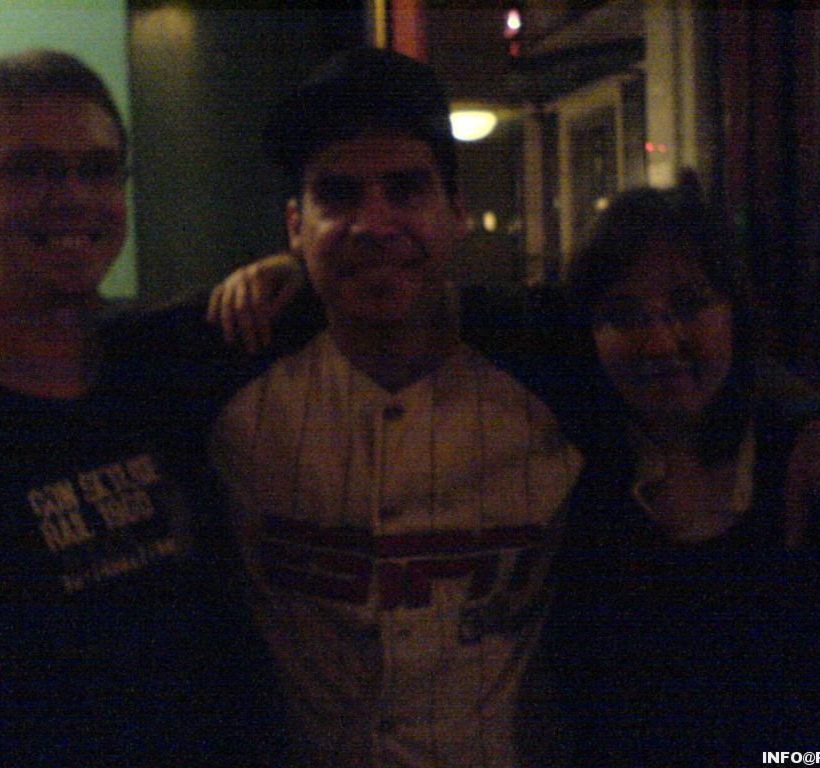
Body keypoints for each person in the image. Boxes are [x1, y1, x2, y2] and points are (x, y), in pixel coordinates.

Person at [0, 49, 283, 767]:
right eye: (32, 170)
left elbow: (352, 284)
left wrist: (292, 264)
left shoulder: (169, 359)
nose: (74, 197)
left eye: (98, 169)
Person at [207, 46, 583, 767]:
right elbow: (83, 346)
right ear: (295, 226)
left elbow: (694, 368)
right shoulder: (227, 368)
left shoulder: (552, 363)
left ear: (456, 213)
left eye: (406, 190)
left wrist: (807, 415)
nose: (374, 223)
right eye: (339, 196)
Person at [518, 185, 820, 766]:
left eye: (689, 305)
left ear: (735, 311)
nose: (661, 342)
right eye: (623, 315)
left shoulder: (818, 474)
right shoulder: (572, 468)